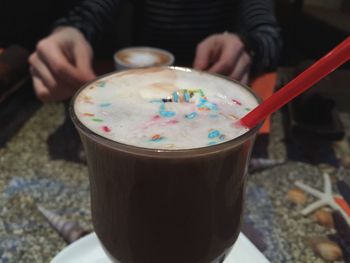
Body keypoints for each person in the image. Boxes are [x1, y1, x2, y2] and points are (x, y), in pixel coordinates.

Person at [29, 0, 282, 102]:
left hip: (206, 99)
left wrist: (247, 46)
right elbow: (93, 12)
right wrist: (70, 32)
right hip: (138, 98)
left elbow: (269, 35)